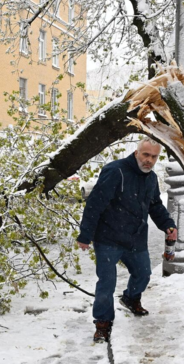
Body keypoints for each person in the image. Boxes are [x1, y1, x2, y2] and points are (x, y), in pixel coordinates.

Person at [76, 137, 177, 343]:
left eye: (154, 157)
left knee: (143, 274)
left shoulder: (151, 178)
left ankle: (130, 298)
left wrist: (167, 224)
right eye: (146, 155)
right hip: (108, 238)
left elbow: (155, 205)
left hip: (135, 238)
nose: (149, 160)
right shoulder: (116, 171)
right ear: (137, 153)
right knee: (107, 283)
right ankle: (102, 323)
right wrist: (85, 234)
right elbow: (95, 203)